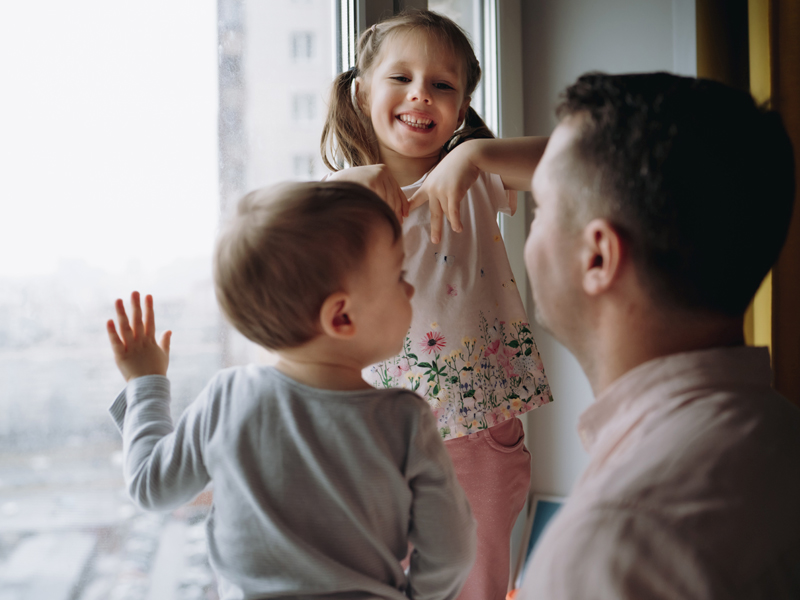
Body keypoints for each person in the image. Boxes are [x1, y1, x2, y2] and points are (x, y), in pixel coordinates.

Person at [105, 181, 477, 600]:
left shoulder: (227, 399)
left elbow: (150, 485)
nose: (409, 289)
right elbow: (452, 549)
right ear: (340, 317)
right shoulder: (405, 419)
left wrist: (145, 384)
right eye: (399, 276)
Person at [519, 72, 800, 598]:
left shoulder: (610, 548)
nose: (530, 235)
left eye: (539, 211)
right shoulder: (782, 437)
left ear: (598, 256)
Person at [320, 10, 551, 599]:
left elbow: (571, 161)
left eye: (443, 85)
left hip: (479, 435)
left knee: (479, 584)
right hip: (377, 436)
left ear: (460, 106)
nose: (421, 93)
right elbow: (261, 237)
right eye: (401, 78)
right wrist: (350, 189)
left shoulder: (476, 179)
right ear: (362, 91)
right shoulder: (339, 201)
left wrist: (475, 156)